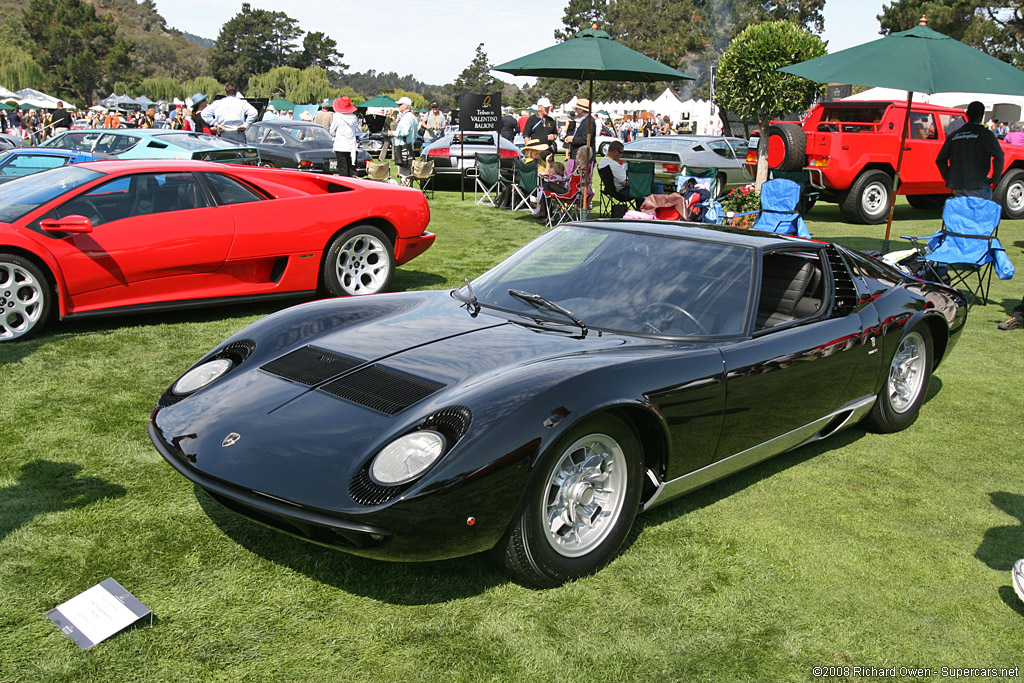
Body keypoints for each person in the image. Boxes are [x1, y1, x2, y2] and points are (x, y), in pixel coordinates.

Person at [935, 101, 1004, 200]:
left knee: (962, 214)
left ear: (967, 114)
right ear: (982, 115)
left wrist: (949, 177)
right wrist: (995, 178)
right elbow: (999, 156)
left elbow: (940, 160)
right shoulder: (985, 134)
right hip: (979, 184)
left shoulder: (954, 135)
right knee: (979, 214)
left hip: (958, 185)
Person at [330, 96, 360, 177]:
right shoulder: (354, 117)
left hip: (341, 144)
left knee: (342, 168)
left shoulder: (337, 117)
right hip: (351, 145)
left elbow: (332, 130)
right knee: (352, 167)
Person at [390, 96, 418, 182]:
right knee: (408, 173)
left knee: (404, 174)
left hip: (403, 147)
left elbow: (404, 132)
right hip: (409, 146)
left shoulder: (406, 117)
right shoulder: (412, 117)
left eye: (400, 104)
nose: (398, 106)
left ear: (406, 106)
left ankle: (406, 192)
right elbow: (415, 134)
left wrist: (392, 133)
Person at [566, 98, 597, 165]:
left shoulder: (589, 121)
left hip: (584, 158)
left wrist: (573, 139)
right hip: (580, 157)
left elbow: (586, 139)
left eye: (577, 109)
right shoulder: (585, 120)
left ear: (581, 110)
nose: (575, 111)